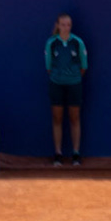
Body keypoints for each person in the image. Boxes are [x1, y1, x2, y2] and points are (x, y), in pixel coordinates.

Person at [46, 12, 87, 167]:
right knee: (57, 118)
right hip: (56, 84)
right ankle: (58, 153)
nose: (65, 28)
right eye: (63, 25)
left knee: (74, 118)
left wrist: (72, 77)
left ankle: (75, 153)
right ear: (58, 25)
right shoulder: (51, 43)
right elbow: (48, 67)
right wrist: (60, 76)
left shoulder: (78, 42)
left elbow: (84, 67)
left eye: (68, 25)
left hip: (74, 84)